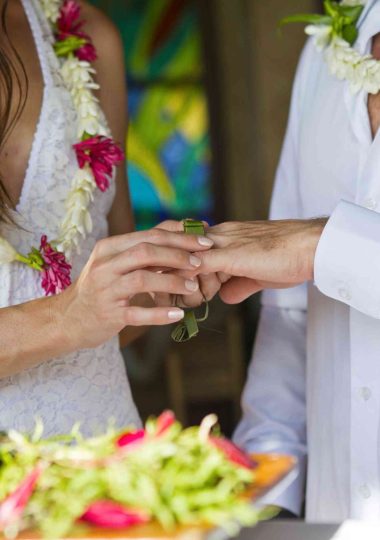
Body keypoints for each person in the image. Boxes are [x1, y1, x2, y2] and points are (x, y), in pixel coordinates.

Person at [195, 0, 380, 524]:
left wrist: (318, 246)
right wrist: (263, 499)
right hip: (331, 515)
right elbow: (290, 309)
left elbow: (300, 255)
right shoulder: (322, 53)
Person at [0, 0, 216, 436]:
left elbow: (109, 320)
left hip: (101, 445)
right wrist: (65, 316)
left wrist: (169, 279)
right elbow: (77, 313)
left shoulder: (88, 36)